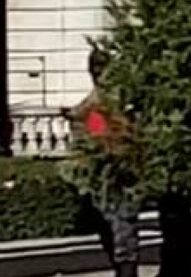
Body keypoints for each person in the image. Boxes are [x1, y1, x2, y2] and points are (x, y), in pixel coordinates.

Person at [70, 49, 139, 277]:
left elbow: (107, 133)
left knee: (121, 225)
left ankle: (126, 269)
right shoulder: (96, 102)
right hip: (103, 173)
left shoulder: (112, 101)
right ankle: (124, 266)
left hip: (118, 171)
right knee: (112, 225)